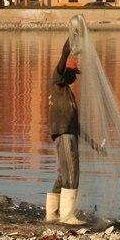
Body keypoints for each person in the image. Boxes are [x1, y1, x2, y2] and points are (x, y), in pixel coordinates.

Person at [46, 38, 85, 225]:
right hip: (64, 134)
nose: (75, 78)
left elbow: (74, 121)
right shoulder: (58, 82)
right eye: (73, 74)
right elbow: (63, 57)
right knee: (72, 172)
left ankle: (52, 214)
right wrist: (71, 39)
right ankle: (67, 215)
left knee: (63, 173)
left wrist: (91, 141)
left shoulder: (67, 92)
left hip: (66, 132)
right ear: (66, 72)